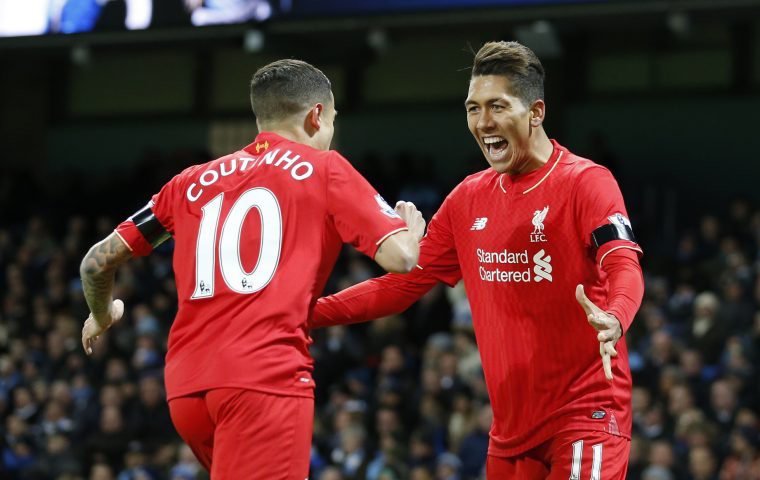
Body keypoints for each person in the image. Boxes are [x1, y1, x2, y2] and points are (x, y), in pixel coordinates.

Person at [79, 58, 426, 479]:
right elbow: (402, 259)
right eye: (333, 120)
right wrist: (411, 232)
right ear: (317, 116)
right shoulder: (325, 168)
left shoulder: (189, 182)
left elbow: (95, 262)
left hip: (186, 391)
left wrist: (102, 314)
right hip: (263, 381)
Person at [312, 41, 645, 479]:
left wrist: (616, 316)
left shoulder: (586, 182)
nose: (483, 122)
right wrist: (304, 313)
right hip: (510, 435)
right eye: (473, 108)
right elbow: (399, 286)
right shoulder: (468, 198)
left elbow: (623, 263)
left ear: (536, 112)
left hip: (587, 416)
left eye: (497, 106)